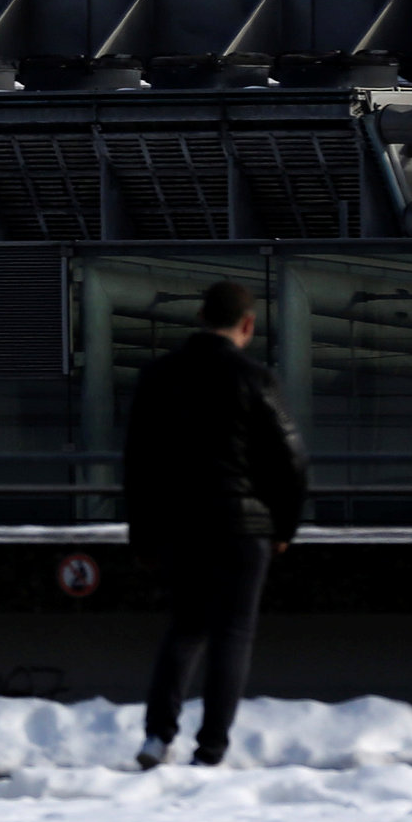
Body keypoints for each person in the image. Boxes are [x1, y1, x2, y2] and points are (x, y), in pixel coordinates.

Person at [122, 277, 307, 769]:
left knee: (185, 629)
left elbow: (138, 463)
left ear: (202, 318)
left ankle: (156, 738)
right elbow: (290, 459)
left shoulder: (159, 377)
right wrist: (284, 526)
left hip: (181, 527)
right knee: (233, 636)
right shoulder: (257, 379)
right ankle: (211, 749)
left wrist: (142, 534)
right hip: (245, 530)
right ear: (247, 324)